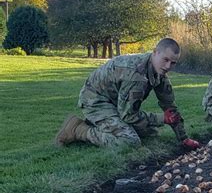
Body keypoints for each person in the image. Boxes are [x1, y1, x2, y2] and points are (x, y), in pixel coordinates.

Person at [55, 38, 200, 149]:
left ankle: (103, 123)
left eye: (173, 63)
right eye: (166, 60)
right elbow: (128, 115)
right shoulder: (136, 75)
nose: (168, 66)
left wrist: (183, 138)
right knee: (130, 141)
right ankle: (78, 129)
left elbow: (170, 106)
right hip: (95, 100)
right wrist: (162, 118)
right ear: (155, 52)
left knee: (150, 133)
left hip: (115, 103)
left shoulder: (159, 72)